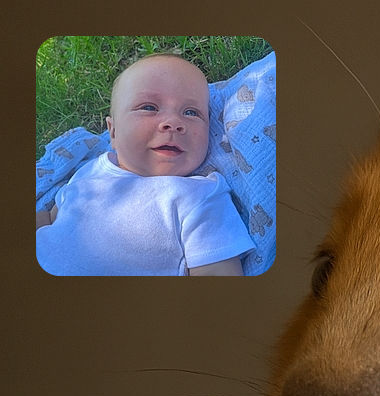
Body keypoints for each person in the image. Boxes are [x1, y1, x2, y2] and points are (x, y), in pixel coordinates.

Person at [36, 54, 254, 276]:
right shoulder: (89, 171)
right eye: (149, 107)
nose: (173, 123)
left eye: (191, 112)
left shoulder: (200, 197)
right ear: (113, 132)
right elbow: (51, 219)